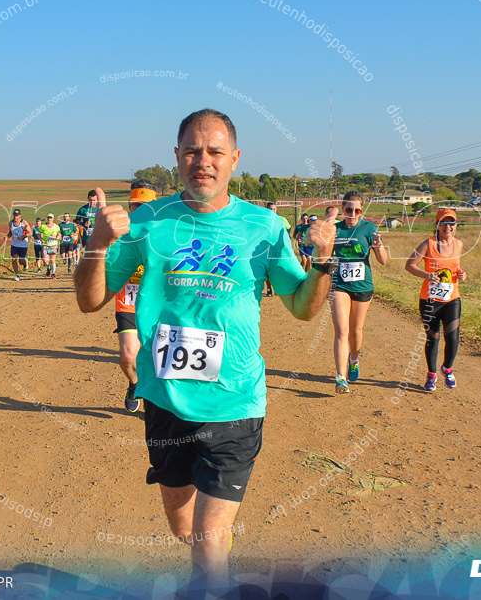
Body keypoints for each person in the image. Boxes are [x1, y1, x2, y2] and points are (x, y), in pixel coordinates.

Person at [74, 109, 336, 595]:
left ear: (234, 159)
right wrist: (97, 241)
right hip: (166, 400)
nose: (203, 161)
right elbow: (90, 300)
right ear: (176, 157)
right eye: (193, 151)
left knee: (210, 545)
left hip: (235, 402)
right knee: (184, 528)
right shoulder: (148, 221)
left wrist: (323, 262)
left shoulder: (263, 226)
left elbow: (302, 307)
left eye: (215, 151)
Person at [328, 192, 388, 394]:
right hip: (340, 284)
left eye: (357, 210)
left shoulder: (368, 228)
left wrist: (379, 247)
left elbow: (383, 260)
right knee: (341, 330)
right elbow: (321, 252)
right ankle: (340, 377)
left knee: (355, 331)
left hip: (362, 286)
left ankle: (354, 358)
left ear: (362, 211)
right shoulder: (334, 229)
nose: (353, 213)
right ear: (343, 209)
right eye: (348, 209)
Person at [405, 207, 468, 391]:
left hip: (452, 298)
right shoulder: (428, 244)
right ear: (437, 224)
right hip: (430, 300)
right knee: (433, 338)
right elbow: (409, 265)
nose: (448, 226)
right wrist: (426, 275)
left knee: (453, 337)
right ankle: (431, 375)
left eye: (451, 223)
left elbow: (457, 268)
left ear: (456, 225)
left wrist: (463, 275)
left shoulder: (459, 244)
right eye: (444, 223)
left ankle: (447, 369)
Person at [113, 180, 158, 412]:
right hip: (128, 304)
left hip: (159, 306)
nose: (140, 210)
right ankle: (134, 383)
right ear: (130, 207)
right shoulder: (119, 233)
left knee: (162, 362)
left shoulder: (166, 232)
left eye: (146, 206)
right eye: (135, 205)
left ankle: (159, 406)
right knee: (128, 357)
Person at [263, 202, 292, 297]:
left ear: (276, 209)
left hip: (278, 249)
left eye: (274, 209)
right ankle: (268, 288)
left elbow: (288, 230)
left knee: (278, 269)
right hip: (266, 248)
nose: (272, 211)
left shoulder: (282, 220)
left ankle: (278, 288)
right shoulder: (263, 220)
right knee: (266, 270)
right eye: (270, 209)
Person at [6, 208, 30, 281]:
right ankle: (17, 274)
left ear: (20, 215)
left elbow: (30, 233)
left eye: (17, 215)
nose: (15, 217)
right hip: (14, 244)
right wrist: (7, 236)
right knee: (14, 259)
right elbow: (10, 232)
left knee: (21, 261)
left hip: (23, 245)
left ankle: (25, 263)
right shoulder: (11, 223)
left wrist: (23, 236)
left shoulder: (24, 223)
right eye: (14, 215)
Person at [76, 190, 98, 259]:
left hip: (98, 237)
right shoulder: (83, 209)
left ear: (97, 200)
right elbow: (76, 220)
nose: (92, 202)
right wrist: (83, 224)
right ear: (87, 199)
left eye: (94, 200)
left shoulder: (100, 208)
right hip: (87, 237)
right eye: (90, 200)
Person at [39, 213, 61, 278]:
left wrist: (56, 237)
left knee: (52, 260)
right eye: (48, 217)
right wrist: (41, 239)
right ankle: (48, 268)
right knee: (45, 260)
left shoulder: (56, 227)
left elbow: (59, 236)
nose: (49, 219)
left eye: (51, 218)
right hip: (46, 245)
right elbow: (38, 234)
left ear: (53, 219)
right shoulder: (43, 226)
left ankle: (53, 273)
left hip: (54, 245)